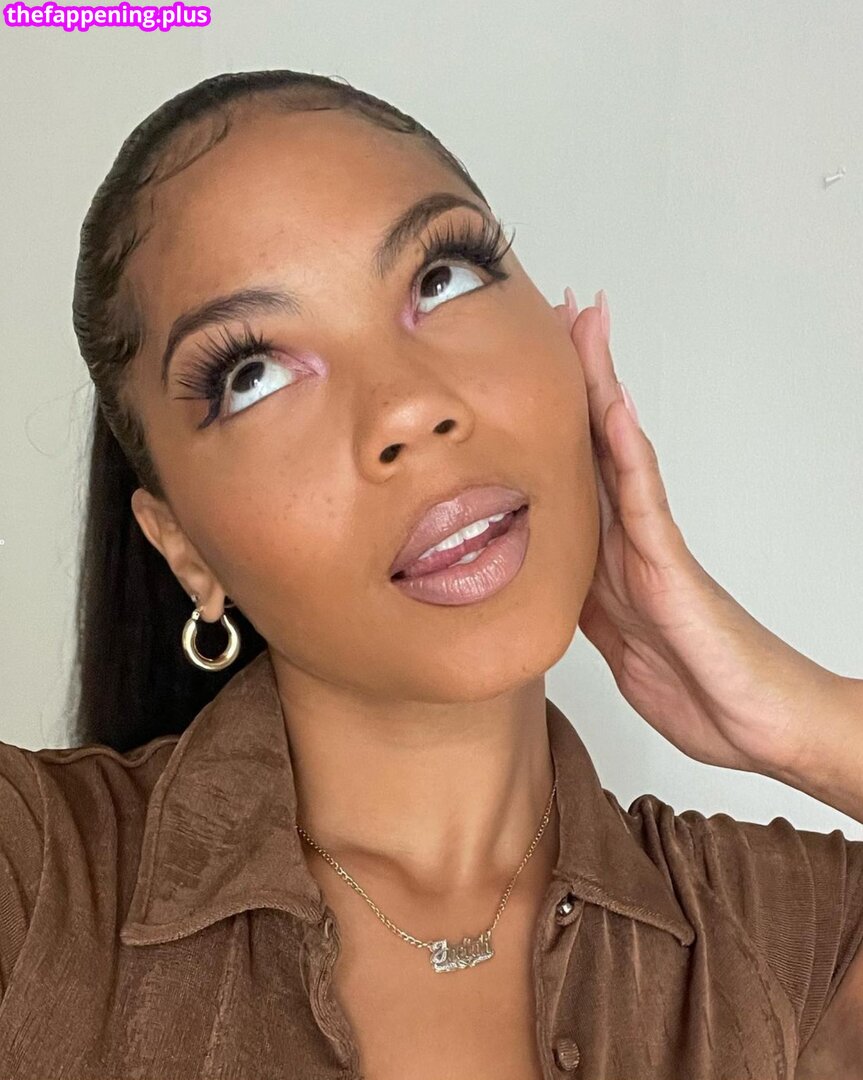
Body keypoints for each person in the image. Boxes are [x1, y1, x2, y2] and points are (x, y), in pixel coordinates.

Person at [0, 69, 861, 1079]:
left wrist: (789, 717)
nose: (408, 408)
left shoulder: (788, 942)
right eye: (253, 375)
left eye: (440, 277)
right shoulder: (36, 888)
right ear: (181, 545)